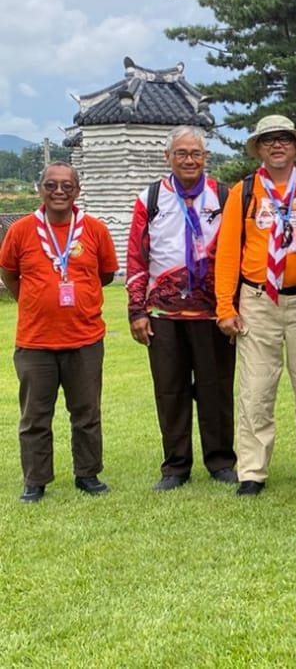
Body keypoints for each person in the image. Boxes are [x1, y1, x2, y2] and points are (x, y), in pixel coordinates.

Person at [214, 115, 296, 496]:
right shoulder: (243, 192)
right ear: (259, 148)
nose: (277, 145)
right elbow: (227, 252)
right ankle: (252, 470)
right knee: (256, 388)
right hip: (259, 300)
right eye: (268, 140)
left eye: (284, 139)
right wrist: (225, 307)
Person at [126, 126, 237, 491]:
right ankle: (175, 466)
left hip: (213, 314)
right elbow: (136, 258)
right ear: (168, 157)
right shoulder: (150, 198)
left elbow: (236, 253)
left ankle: (221, 460)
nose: (189, 160)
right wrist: (136, 310)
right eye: (181, 153)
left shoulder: (224, 196)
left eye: (196, 153)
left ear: (206, 157)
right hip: (163, 314)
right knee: (170, 391)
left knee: (216, 389)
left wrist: (233, 307)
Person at [1, 162, 117, 502]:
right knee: (35, 416)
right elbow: (9, 273)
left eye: (67, 185)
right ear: (40, 189)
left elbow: (106, 274)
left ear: (77, 190)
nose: (59, 191)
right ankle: (35, 480)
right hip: (35, 341)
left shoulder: (95, 230)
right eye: (51, 185)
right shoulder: (21, 230)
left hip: (85, 338)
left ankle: (88, 474)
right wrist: (34, 300)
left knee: (86, 412)